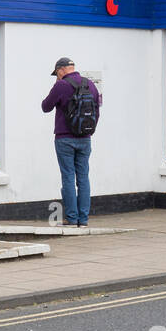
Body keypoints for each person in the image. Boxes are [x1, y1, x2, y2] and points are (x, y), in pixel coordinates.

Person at [41, 57, 101, 227]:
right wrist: (89, 130)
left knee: (68, 177)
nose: (57, 77)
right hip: (85, 139)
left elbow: (46, 106)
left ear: (60, 70)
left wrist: (56, 88)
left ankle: (72, 218)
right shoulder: (90, 84)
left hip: (64, 138)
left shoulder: (61, 85)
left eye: (57, 74)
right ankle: (84, 220)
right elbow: (97, 110)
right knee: (83, 177)